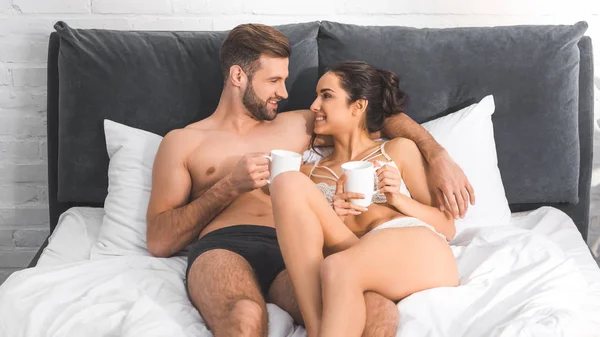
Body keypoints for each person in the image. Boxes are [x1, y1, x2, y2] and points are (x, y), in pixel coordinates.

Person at [146, 24, 472, 337]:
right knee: (244, 318)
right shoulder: (183, 142)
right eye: (274, 80)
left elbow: (380, 115)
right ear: (237, 76)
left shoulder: (301, 124)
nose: (284, 93)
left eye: (285, 80)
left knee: (377, 311)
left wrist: (437, 154)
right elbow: (159, 240)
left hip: (299, 248)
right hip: (224, 246)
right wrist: (229, 186)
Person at [270, 61, 460, 337]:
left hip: (415, 247)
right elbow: (306, 241)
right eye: (317, 96)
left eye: (326, 95)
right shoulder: (311, 172)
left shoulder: (398, 151)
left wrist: (398, 199)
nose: (314, 106)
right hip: (354, 249)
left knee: (336, 267)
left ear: (358, 107)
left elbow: (448, 227)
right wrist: (336, 214)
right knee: (287, 181)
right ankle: (316, 328)